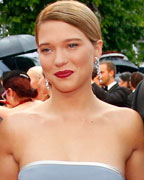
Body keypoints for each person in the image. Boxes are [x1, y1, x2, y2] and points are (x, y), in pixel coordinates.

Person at [0, 1, 144, 180]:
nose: (59, 60)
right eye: (47, 49)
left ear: (97, 49)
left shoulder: (127, 125)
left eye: (72, 45)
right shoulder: (14, 127)